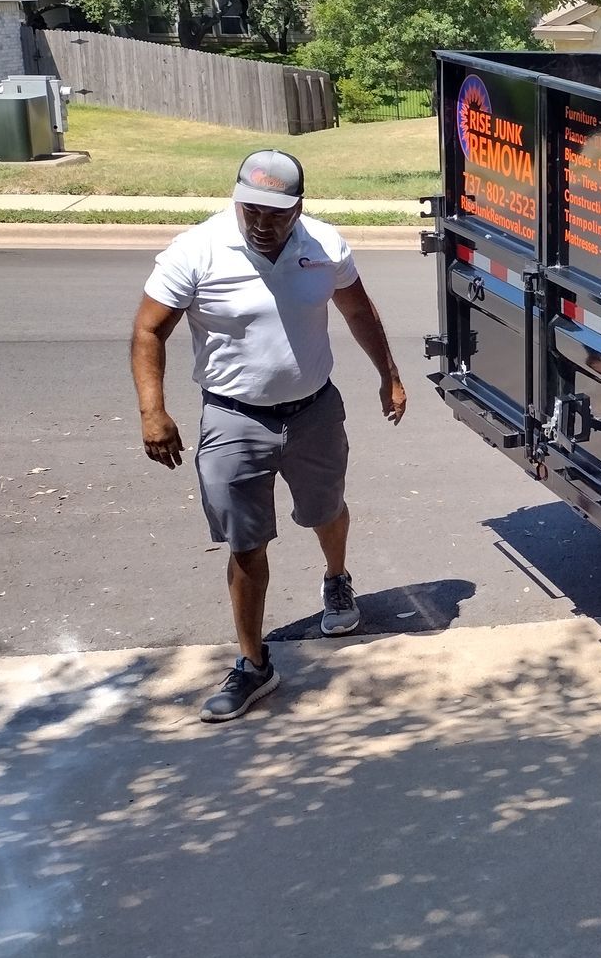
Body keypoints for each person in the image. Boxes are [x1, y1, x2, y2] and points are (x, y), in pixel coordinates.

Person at [130, 149, 407, 723]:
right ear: (236, 198)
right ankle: (254, 664)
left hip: (314, 411)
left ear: (298, 208)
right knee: (245, 542)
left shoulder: (324, 246)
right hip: (234, 418)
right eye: (250, 207)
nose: (261, 221)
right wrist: (152, 412)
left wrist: (390, 376)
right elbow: (149, 329)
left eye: (275, 212)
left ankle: (337, 579)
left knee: (326, 509)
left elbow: (359, 312)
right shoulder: (196, 251)